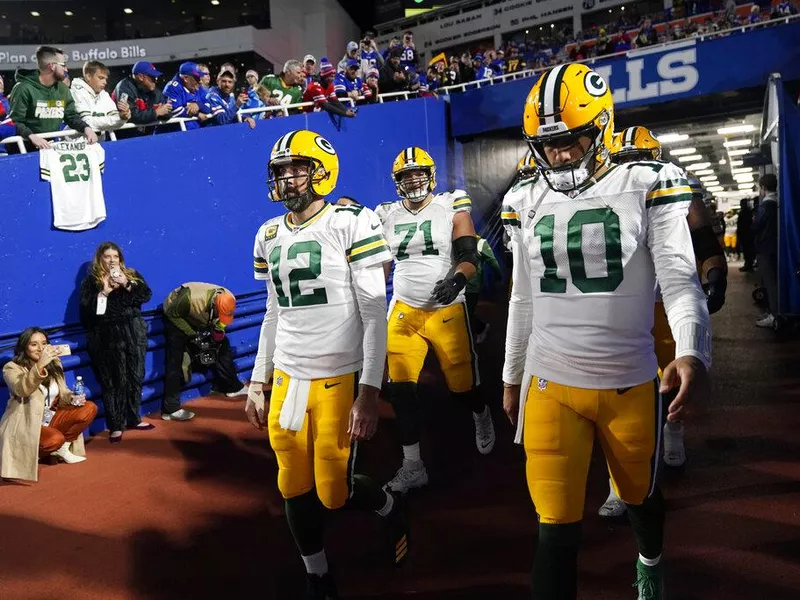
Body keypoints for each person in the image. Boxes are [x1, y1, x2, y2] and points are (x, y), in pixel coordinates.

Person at [502, 64, 711, 599]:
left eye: (572, 140)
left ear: (602, 127)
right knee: (554, 526)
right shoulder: (524, 198)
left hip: (626, 378)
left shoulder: (645, 180)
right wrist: (510, 374)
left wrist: (690, 351)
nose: (561, 155)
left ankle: (649, 561)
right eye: (548, 145)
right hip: (549, 380)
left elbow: (680, 278)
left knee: (640, 495)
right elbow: (523, 296)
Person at [245, 130, 408, 599]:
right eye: (280, 171)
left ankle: (386, 501)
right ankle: (317, 573)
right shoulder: (268, 234)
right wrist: (258, 380)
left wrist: (370, 391)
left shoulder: (351, 222)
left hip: (340, 373)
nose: (287, 179)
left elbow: (375, 312)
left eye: (297, 168)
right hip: (289, 376)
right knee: (292, 483)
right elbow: (274, 312)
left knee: (332, 493)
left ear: (322, 170)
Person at [596, 126, 727, 519]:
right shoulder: (601, 191)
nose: (633, 170)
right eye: (624, 162)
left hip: (664, 302)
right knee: (618, 394)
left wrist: (714, 272)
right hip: (622, 304)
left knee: (670, 380)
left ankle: (673, 430)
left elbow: (702, 236)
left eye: (641, 161)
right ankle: (618, 482)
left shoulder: (672, 185)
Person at [375, 147, 495, 494]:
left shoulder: (451, 206)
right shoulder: (386, 214)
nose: (412, 180)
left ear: (431, 175)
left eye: (417, 173)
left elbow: (469, 255)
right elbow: (382, 265)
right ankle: (413, 465)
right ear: (396, 182)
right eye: (405, 176)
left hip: (447, 310)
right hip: (403, 311)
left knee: (463, 389)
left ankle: (480, 413)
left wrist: (457, 278)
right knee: (400, 391)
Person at [79, 242, 153, 443]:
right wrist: (104, 291)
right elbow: (89, 312)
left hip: (134, 332)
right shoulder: (92, 282)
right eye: (107, 256)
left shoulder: (132, 274)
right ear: (100, 259)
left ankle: (133, 417)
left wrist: (126, 284)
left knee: (136, 375)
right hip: (107, 336)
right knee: (114, 380)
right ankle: (116, 425)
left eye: (115, 256)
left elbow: (146, 295)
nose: (112, 260)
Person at [1, 327, 98, 482]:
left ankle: (63, 448)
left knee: (89, 408)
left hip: (50, 418)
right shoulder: (12, 368)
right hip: (27, 424)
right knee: (54, 439)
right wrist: (39, 366)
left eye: (44, 343)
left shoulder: (55, 363)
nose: (40, 348)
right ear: (24, 347)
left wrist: (72, 397)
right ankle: (33, 453)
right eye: (34, 344)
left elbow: (62, 391)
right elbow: (22, 389)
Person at [161, 282, 247, 421]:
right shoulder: (189, 298)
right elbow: (171, 313)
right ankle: (170, 409)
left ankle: (231, 387)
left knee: (223, 345)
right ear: (214, 305)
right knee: (175, 360)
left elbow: (222, 320)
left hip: (201, 316)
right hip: (177, 316)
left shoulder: (229, 298)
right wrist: (192, 334)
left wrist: (219, 330)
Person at [7, 45, 98, 150]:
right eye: (63, 65)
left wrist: (86, 128)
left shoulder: (63, 89)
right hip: (23, 149)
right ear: (52, 66)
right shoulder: (23, 88)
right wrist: (32, 137)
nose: (66, 69)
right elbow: (15, 121)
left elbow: (71, 116)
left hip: (50, 148)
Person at [111, 61, 173, 132]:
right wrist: (156, 113)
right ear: (140, 77)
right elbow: (129, 115)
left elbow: (168, 112)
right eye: (152, 78)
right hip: (121, 136)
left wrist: (164, 112)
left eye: (156, 78)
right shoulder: (124, 88)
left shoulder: (155, 91)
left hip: (145, 135)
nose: (155, 81)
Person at [70, 60, 129, 134]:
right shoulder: (75, 92)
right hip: (76, 142)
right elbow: (87, 122)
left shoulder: (104, 94)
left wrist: (123, 116)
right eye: (101, 78)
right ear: (88, 77)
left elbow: (115, 117)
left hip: (97, 142)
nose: (105, 82)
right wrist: (119, 118)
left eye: (105, 79)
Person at [464, 235, 501, 345]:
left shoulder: (480, 242)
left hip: (472, 286)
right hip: (456, 283)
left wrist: (498, 278)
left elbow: (493, 262)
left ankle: (481, 328)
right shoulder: (452, 239)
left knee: (467, 314)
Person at [753, 174, 779, 328]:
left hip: (765, 247)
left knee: (770, 282)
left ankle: (775, 315)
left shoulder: (766, 205)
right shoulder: (778, 202)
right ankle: (773, 311)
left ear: (763, 188)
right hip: (774, 246)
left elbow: (756, 226)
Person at [737, 197, 755, 271]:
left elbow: (742, 224)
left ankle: (748, 264)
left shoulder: (744, 212)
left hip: (745, 234)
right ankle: (748, 264)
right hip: (747, 234)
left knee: (747, 250)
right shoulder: (748, 212)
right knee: (747, 250)